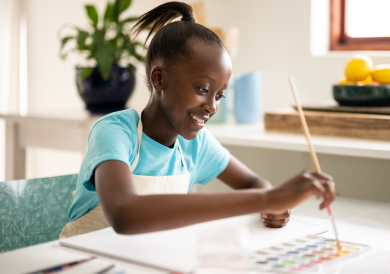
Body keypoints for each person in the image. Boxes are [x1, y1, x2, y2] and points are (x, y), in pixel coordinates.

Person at [59, 1, 335, 239]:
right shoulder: (116, 132)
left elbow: (253, 183)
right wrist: (267, 198)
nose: (212, 106)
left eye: (220, 96)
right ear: (159, 78)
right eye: (203, 89)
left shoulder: (195, 145)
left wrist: (273, 205)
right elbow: (124, 214)